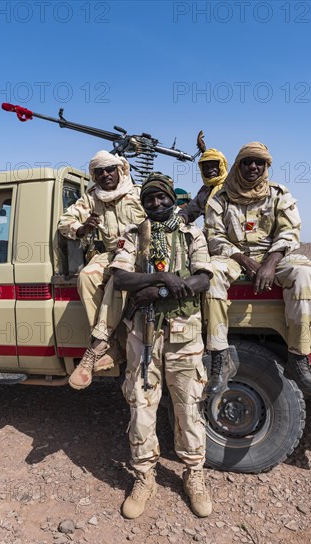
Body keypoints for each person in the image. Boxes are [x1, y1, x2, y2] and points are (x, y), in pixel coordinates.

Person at [110, 172, 213, 519]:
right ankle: (143, 477)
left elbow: (203, 278)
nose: (156, 204)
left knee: (188, 408)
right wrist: (159, 276)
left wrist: (163, 291)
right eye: (150, 199)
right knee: (141, 407)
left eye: (162, 198)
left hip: (185, 336)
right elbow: (121, 277)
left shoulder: (191, 233)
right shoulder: (134, 235)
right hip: (143, 336)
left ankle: (193, 475)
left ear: (172, 199)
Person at [203, 141, 311, 398]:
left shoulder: (279, 194)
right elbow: (214, 236)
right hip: (234, 256)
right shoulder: (221, 196)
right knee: (210, 272)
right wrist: (245, 261)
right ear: (238, 165)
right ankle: (220, 359)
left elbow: (289, 231)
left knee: (302, 272)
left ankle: (298, 359)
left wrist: (269, 263)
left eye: (259, 162)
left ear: (267, 166)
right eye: (247, 162)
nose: (253, 167)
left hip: (273, 256)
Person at [58, 150, 146, 390]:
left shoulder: (138, 193)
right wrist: (83, 228)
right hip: (111, 253)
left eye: (109, 169)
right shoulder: (90, 199)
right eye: (99, 171)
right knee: (87, 276)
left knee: (117, 278)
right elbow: (65, 223)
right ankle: (112, 345)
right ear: (94, 176)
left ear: (120, 170)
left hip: (139, 254)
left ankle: (96, 346)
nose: (105, 174)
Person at [178, 131, 228, 224]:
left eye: (214, 166)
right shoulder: (205, 191)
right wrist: (180, 219)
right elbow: (190, 211)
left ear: (221, 166)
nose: (210, 170)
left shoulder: (233, 186)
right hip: (211, 235)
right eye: (206, 167)